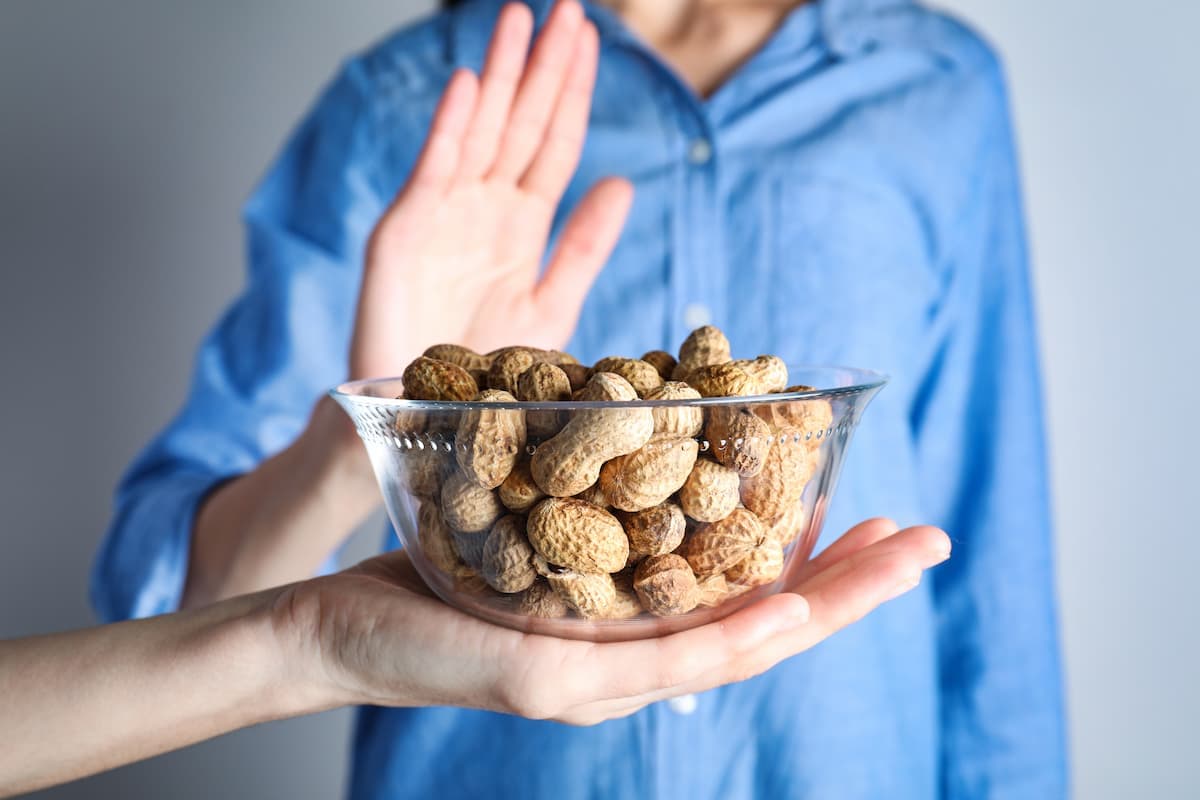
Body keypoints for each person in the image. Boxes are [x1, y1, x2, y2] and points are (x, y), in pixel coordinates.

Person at [91, 1, 1066, 798]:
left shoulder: (936, 90)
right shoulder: (406, 101)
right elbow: (171, 606)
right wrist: (371, 435)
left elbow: (993, 545)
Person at [1, 519, 950, 797]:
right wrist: (350, 423)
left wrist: (304, 642)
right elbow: (158, 581)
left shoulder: (936, 86)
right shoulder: (394, 99)